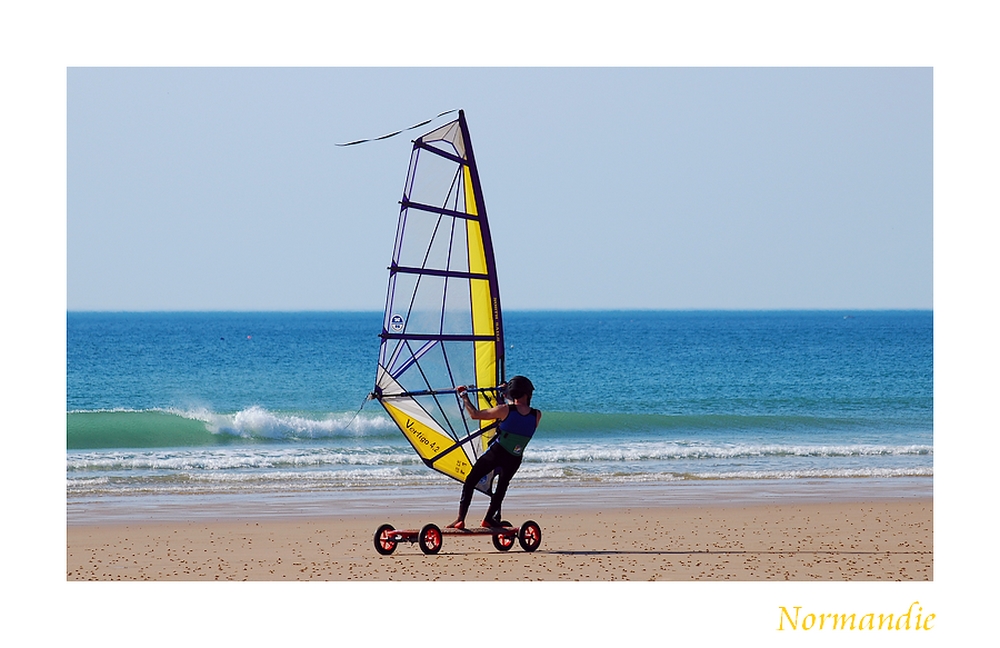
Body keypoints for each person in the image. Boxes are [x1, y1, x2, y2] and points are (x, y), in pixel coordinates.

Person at [448, 375, 542, 530]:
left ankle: (460, 519)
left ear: (512, 393)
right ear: (527, 394)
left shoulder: (504, 410)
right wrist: (506, 395)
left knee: (471, 480)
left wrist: (464, 395)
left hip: (497, 453)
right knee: (502, 487)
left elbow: (475, 414)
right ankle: (488, 519)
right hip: (515, 457)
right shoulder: (537, 415)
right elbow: (518, 415)